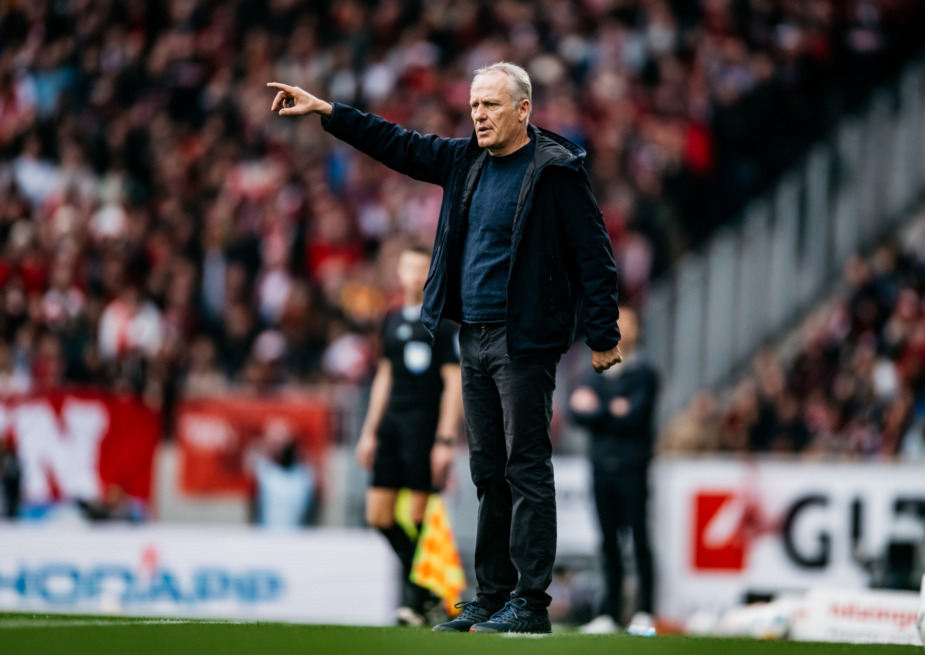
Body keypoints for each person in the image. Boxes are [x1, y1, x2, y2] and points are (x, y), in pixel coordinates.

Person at [269, 60, 622, 634]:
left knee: (525, 468)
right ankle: (491, 596)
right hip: (472, 336)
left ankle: (531, 605)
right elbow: (398, 144)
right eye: (475, 105)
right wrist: (329, 113)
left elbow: (595, 258)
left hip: (524, 340)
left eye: (491, 105)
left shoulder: (555, 171)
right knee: (487, 470)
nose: (478, 115)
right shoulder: (465, 161)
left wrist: (604, 335)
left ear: (524, 110)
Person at [355, 245, 462, 626]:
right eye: (409, 268)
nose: (415, 276)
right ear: (399, 274)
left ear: (430, 274)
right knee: (379, 515)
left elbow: (453, 383)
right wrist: (369, 431)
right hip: (391, 429)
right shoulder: (391, 320)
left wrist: (445, 440)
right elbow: (384, 376)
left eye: (422, 269)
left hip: (423, 429)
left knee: (418, 515)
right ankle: (430, 591)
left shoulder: (444, 324)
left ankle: (416, 603)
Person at [567, 307, 658, 635]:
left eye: (628, 322)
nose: (621, 327)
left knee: (639, 540)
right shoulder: (595, 369)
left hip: (632, 468)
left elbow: (633, 416)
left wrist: (598, 407)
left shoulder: (644, 372)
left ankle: (645, 611)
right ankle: (609, 612)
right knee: (607, 542)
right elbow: (576, 411)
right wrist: (612, 408)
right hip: (600, 466)